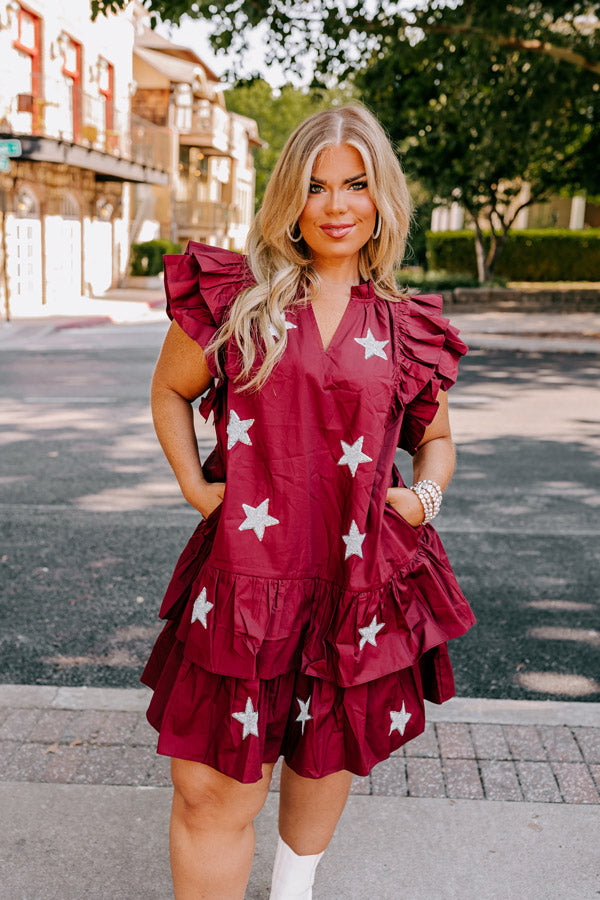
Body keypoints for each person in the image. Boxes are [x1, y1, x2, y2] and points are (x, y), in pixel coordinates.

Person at [142, 104, 476, 900]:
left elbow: (437, 437)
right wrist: (194, 485)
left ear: (381, 197)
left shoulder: (408, 323)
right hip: (244, 577)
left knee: (323, 750)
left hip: (353, 577)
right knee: (211, 789)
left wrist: (424, 498)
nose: (335, 205)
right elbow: (167, 393)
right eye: (317, 185)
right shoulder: (235, 295)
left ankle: (295, 889)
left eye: (355, 185)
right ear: (289, 195)